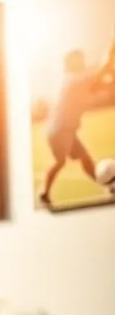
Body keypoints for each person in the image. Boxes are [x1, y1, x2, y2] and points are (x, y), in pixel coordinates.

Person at [40, 49, 102, 207]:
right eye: (80, 59)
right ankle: (43, 194)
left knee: (84, 159)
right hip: (61, 130)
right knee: (61, 161)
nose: (83, 62)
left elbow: (98, 79)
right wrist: (111, 50)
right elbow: (99, 71)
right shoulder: (74, 79)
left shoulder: (73, 79)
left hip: (64, 129)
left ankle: (107, 184)